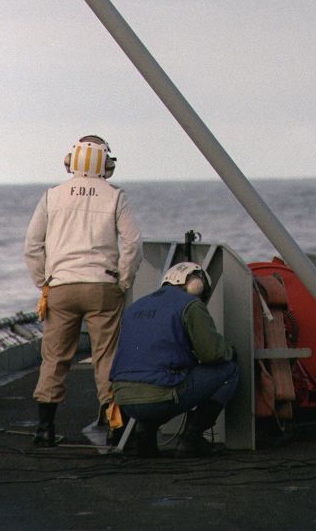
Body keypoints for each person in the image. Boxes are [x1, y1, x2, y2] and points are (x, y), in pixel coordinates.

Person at [24, 134, 143, 446]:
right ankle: (116, 428)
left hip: (61, 287)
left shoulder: (52, 196)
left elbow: (32, 246)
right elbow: (132, 244)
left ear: (70, 162)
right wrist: (124, 282)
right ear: (107, 165)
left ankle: (44, 430)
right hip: (103, 287)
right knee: (106, 358)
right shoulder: (116, 196)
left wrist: (44, 282)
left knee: (54, 358)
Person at [110, 261, 239, 457]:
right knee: (230, 370)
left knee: (153, 377)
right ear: (197, 284)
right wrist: (229, 352)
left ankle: (145, 433)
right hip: (159, 397)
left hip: (124, 399)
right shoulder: (191, 305)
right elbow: (212, 353)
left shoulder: (134, 307)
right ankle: (191, 439)